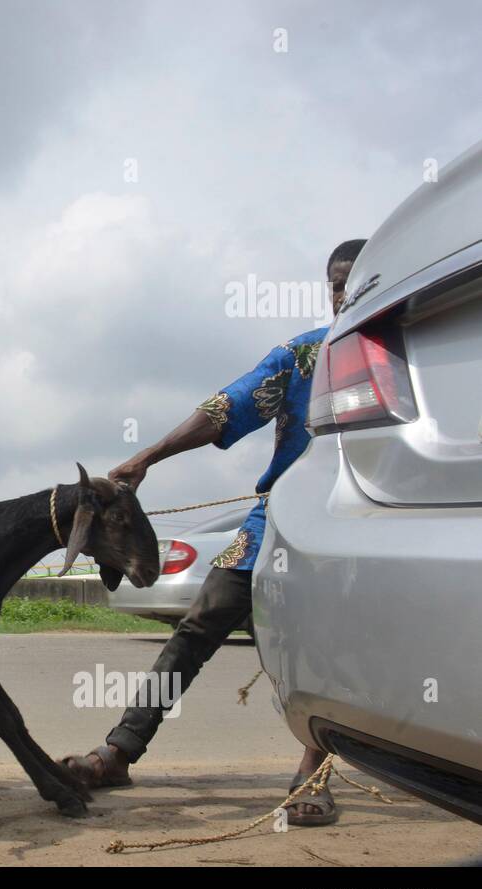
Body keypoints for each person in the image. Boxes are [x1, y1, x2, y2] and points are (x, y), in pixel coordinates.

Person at [59, 239, 367, 827]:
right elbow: (230, 405)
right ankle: (119, 751)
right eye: (335, 282)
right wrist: (152, 453)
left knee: (332, 648)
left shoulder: (402, 356)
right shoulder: (305, 356)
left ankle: (314, 774)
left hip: (354, 525)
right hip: (274, 518)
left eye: (358, 280)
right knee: (199, 624)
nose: (344, 292)